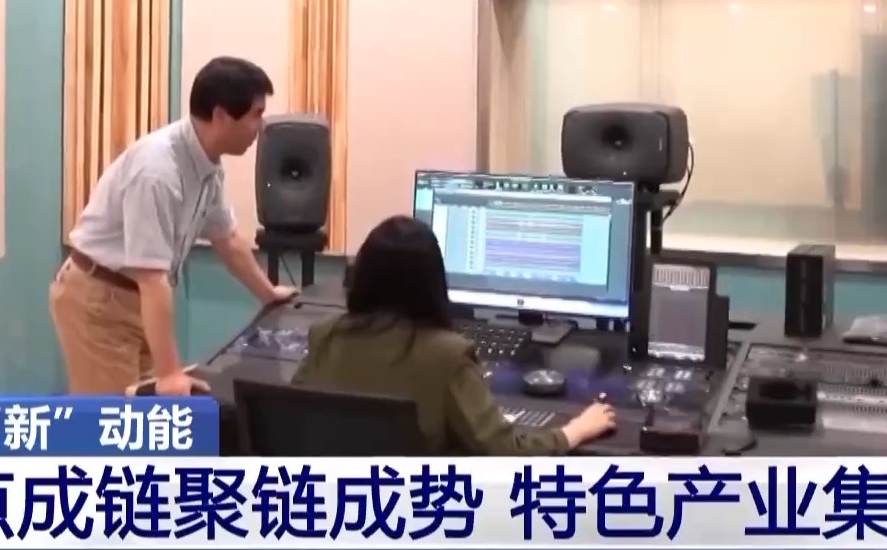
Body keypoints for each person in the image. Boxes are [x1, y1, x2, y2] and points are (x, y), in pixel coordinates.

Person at [52, 56, 297, 397]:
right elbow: (152, 276)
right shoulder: (158, 171)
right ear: (221, 116)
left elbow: (226, 238)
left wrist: (268, 292)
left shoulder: (208, 164)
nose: (262, 127)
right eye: (256, 114)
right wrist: (169, 373)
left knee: (147, 416)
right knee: (113, 420)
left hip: (134, 297)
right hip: (99, 300)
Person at [293, 216, 616, 454]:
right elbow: (505, 451)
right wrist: (574, 431)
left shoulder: (325, 336)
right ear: (432, 281)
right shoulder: (447, 355)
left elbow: (292, 418)